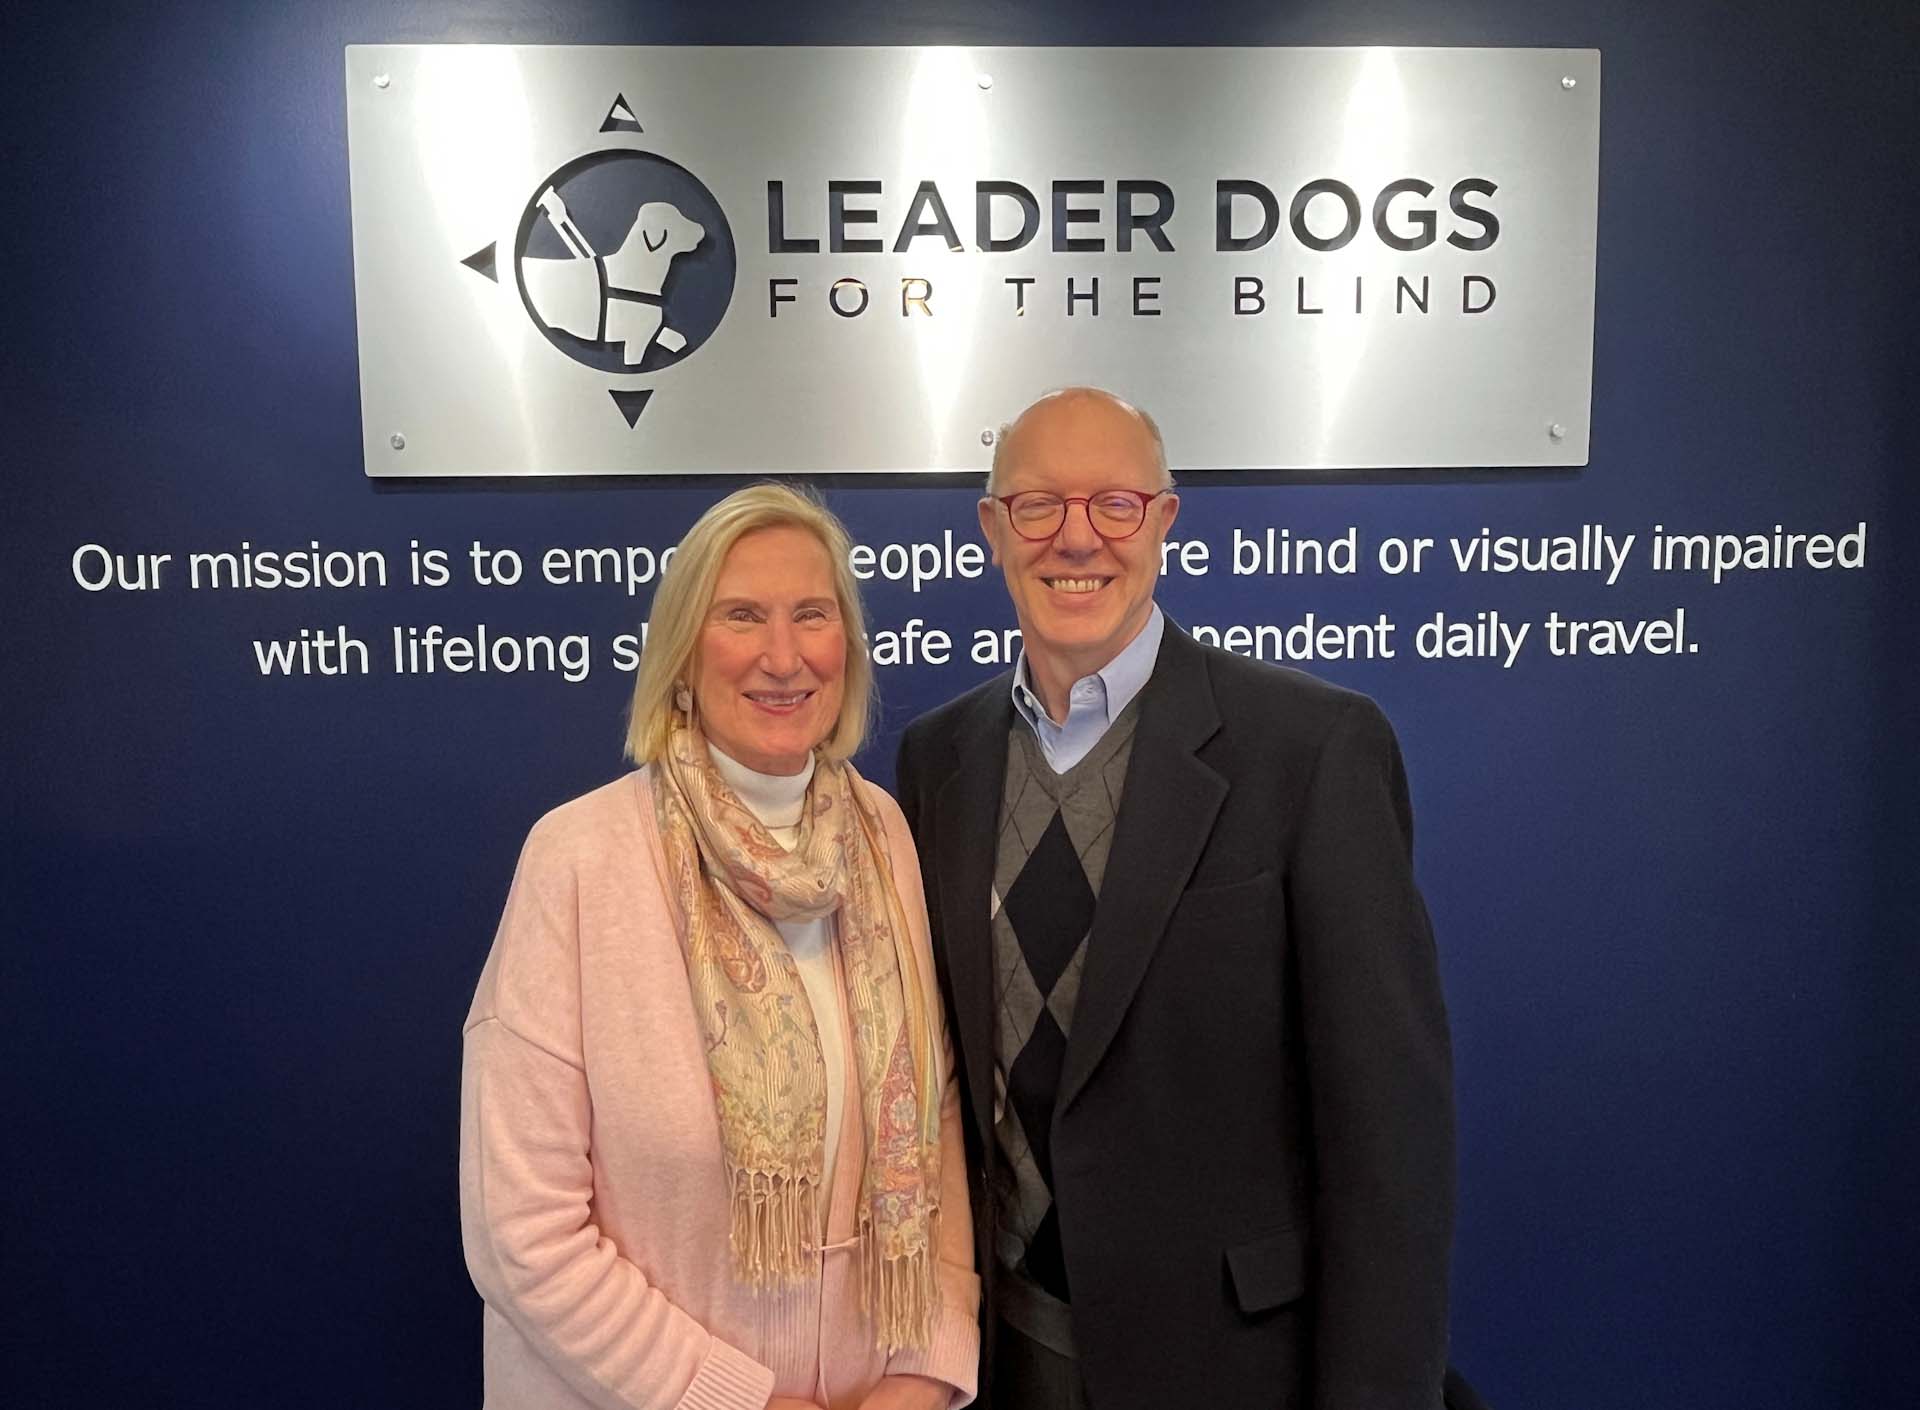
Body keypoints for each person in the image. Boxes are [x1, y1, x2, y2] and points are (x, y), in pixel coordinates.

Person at [895, 389, 1455, 1410]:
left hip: (1234, 1370)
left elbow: (1391, 1147)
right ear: (991, 530)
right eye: (1038, 506)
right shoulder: (938, 760)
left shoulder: (1314, 750)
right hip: (1001, 1356)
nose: (1077, 538)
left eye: (1115, 503)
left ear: (1162, 521)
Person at [461, 484, 980, 1410]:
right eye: (741, 616)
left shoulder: (882, 832)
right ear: (683, 652)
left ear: (847, 647)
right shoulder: (579, 858)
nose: (783, 657)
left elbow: (932, 1116)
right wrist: (737, 1400)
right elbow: (522, 1233)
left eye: (811, 615)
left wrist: (927, 1368)